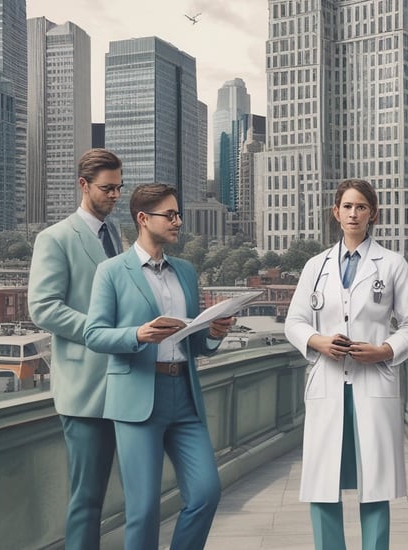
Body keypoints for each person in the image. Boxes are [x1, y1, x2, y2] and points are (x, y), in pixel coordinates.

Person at [83, 183, 235, 550]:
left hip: (184, 397)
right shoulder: (111, 271)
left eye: (178, 214)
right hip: (136, 399)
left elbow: (196, 342)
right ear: (142, 219)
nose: (178, 221)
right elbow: (94, 334)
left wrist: (213, 331)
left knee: (205, 493)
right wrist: (139, 333)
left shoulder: (184, 271)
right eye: (170, 215)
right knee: (144, 510)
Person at [285, 178, 408, 550]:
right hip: (328, 384)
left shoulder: (393, 265)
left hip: (372, 385)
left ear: (373, 214)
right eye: (347, 206)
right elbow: (294, 322)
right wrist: (318, 341)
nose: (353, 213)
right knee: (322, 485)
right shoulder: (315, 266)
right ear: (336, 213)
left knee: (375, 486)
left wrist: (385, 350)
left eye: (361, 207)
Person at [28, 148, 124, 549]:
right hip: (84, 391)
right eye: (107, 189)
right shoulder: (54, 238)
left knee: (121, 493)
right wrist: (101, 332)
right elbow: (43, 308)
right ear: (83, 185)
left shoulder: (116, 234)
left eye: (119, 188)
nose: (115, 196)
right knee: (87, 498)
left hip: (124, 384)